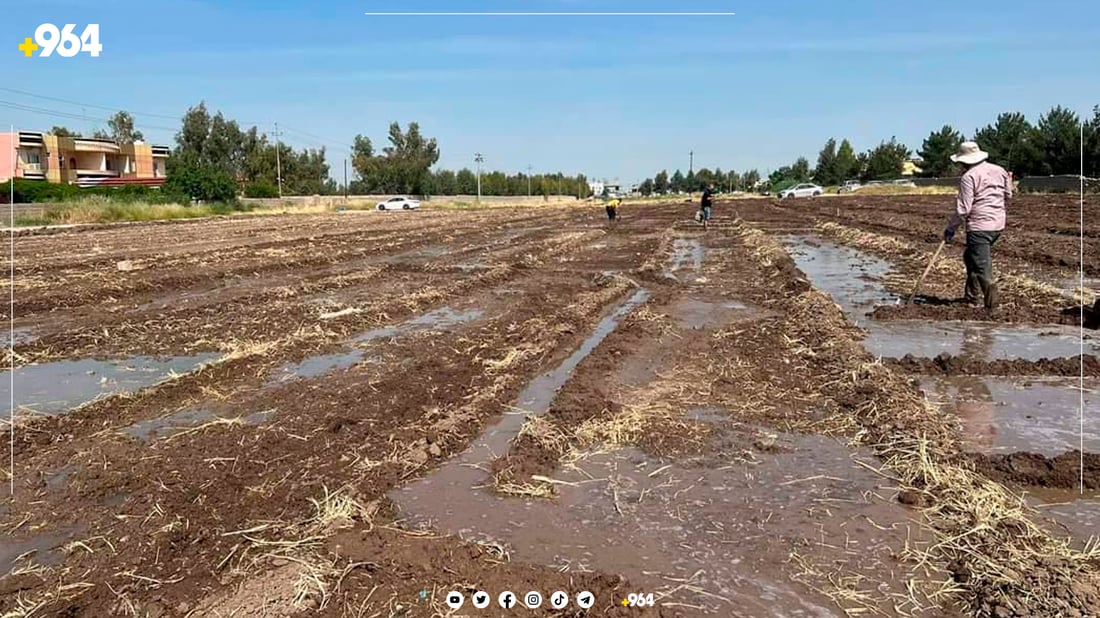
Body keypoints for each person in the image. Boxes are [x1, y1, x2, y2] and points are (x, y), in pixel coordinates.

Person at [942, 141, 1011, 310]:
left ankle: (993, 306)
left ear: (965, 161)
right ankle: (971, 298)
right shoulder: (999, 170)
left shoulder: (969, 177)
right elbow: (1008, 194)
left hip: (979, 227)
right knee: (971, 257)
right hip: (997, 224)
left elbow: (964, 209)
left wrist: (950, 229)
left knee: (982, 266)